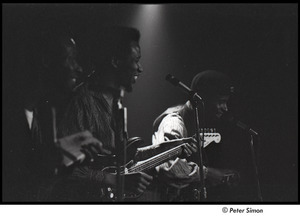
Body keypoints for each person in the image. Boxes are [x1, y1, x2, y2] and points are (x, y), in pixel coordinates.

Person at [2, 23, 107, 202]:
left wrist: (61, 158)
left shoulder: (40, 114)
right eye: (71, 58)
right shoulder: (10, 113)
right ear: (46, 61)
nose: (79, 68)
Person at [151, 70, 242, 202]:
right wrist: (208, 174)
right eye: (221, 101)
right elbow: (169, 167)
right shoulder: (173, 122)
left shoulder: (197, 120)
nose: (225, 108)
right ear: (202, 99)